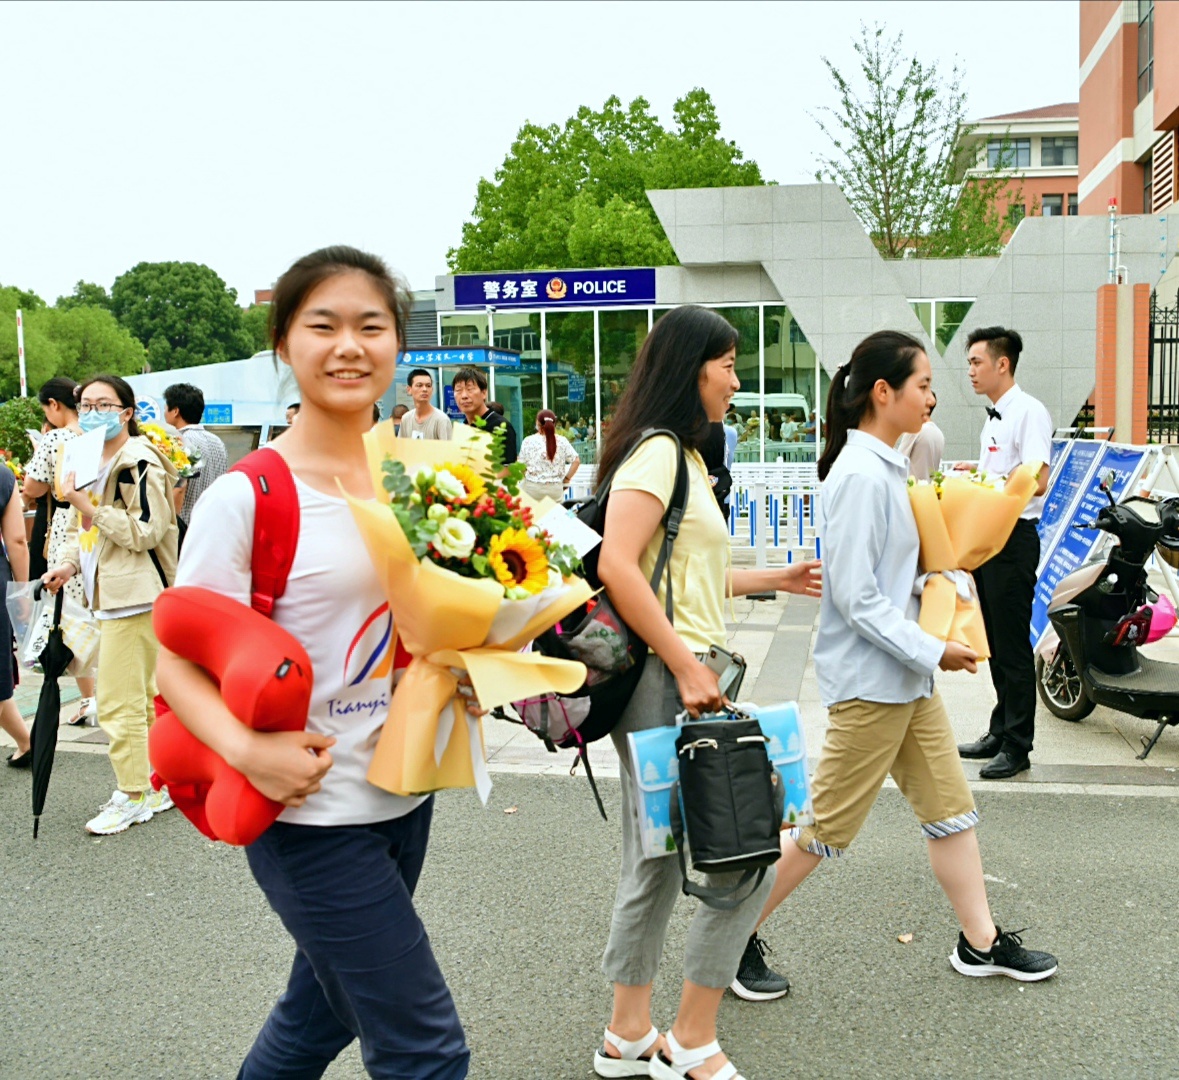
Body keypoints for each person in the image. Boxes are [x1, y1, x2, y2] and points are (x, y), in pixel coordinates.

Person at [155, 246, 470, 1079]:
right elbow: (173, 663)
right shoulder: (248, 495)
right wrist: (251, 751)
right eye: (322, 325)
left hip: (403, 789)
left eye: (371, 326)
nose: (349, 346)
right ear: (284, 346)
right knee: (426, 1051)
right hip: (307, 815)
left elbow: (433, 618)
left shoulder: (421, 480)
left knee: (317, 1018)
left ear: (399, 346)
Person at [738, 330, 1057, 1005]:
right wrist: (931, 647)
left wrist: (943, 591)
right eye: (921, 385)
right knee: (823, 830)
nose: (932, 397)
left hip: (901, 680)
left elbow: (888, 579)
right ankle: (730, 938)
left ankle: (979, 941)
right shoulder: (858, 477)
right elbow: (853, 597)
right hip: (872, 684)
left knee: (950, 810)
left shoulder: (885, 466)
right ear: (881, 393)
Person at [592, 306, 821, 1080]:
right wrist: (687, 669)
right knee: (741, 850)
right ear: (690, 368)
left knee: (657, 856)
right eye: (724, 362)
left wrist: (775, 580)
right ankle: (689, 1038)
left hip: (684, 673)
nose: (733, 377)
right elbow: (617, 566)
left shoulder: (683, 456)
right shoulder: (659, 452)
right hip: (675, 680)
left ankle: (628, 1035)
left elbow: (685, 575)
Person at [42, 373, 180, 835]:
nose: (92, 411)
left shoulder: (138, 460)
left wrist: (88, 503)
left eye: (105, 403)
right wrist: (67, 564)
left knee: (118, 702)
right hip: (107, 591)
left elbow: (145, 531)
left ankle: (133, 794)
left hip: (135, 595)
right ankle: (151, 787)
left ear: (126, 412)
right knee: (138, 700)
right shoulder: (84, 455)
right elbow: (79, 526)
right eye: (85, 403)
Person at [957, 327, 1051, 779]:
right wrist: (973, 473)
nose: (971, 371)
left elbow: (1037, 479)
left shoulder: (1029, 412)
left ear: (1002, 364)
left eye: (976, 361)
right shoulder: (994, 416)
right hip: (989, 538)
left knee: (1012, 646)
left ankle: (1018, 744)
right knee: (994, 641)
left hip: (1014, 539)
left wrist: (987, 485)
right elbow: (1002, 471)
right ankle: (1000, 728)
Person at [22, 377, 96, 726]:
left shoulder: (55, 438)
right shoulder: (98, 436)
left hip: (67, 525)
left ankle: (88, 697)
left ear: (54, 405)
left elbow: (32, 487)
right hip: (97, 522)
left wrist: (39, 447)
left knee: (70, 614)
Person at [1, 454, 31, 767]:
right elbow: (17, 541)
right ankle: (26, 742)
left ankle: (26, 741)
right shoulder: (3, 476)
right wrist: (21, 592)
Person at [164, 382, 229, 523]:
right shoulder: (217, 441)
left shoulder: (177, 442)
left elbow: (179, 488)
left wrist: (171, 525)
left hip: (186, 525)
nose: (164, 413)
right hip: (212, 523)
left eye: (166, 408)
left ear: (175, 411)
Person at [451, 367, 517, 463]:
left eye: (470, 389)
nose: (464, 396)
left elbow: (506, 470)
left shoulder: (500, 427)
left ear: (484, 393)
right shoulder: (462, 429)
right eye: (459, 390)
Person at [518, 409, 579, 502]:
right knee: (554, 516)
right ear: (554, 423)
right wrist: (566, 479)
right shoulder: (562, 441)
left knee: (533, 515)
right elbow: (576, 461)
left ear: (537, 423)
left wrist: (526, 475)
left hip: (533, 489)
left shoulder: (528, 441)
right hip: (555, 489)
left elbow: (521, 464)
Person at [895, 390, 945, 482]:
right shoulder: (939, 434)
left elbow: (898, 462)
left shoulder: (914, 430)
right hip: (930, 492)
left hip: (911, 491)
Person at [398, 368, 453, 440]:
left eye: (428, 386)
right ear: (409, 390)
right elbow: (400, 448)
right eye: (419, 385)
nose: (424, 389)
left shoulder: (441, 420)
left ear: (432, 390)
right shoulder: (406, 419)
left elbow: (448, 450)